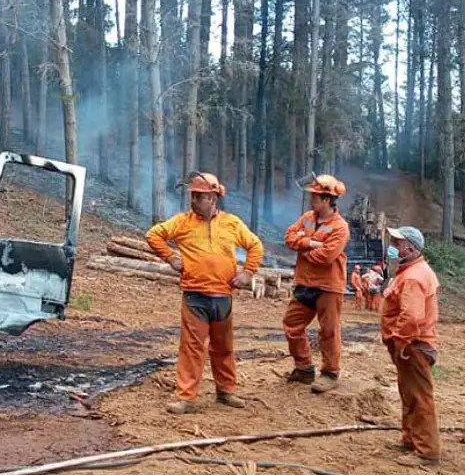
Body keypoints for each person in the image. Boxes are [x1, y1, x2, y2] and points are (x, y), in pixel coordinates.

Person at [146, 172, 265, 415]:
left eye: (199, 196)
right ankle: (186, 397)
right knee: (192, 347)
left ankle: (226, 391)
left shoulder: (232, 223)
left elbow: (255, 245)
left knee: (224, 347)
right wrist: (170, 257)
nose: (193, 199)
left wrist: (248, 272)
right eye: (193, 195)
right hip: (195, 294)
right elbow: (153, 235)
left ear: (213, 198)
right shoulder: (182, 222)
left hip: (223, 295)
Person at [282, 174, 351, 393]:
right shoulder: (307, 218)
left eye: (315, 196)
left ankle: (330, 372)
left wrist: (304, 248)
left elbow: (326, 256)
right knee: (292, 325)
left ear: (327, 199)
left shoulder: (340, 227)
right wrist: (310, 243)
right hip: (305, 282)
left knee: (329, 330)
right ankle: (304, 368)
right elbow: (289, 238)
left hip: (328, 286)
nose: (311, 199)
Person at [381, 226, 441, 467]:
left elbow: (412, 317)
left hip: (413, 344)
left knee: (418, 398)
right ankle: (410, 439)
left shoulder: (414, 277)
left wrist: (400, 341)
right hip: (411, 344)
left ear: (411, 248)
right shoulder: (410, 272)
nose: (393, 245)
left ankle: (427, 453)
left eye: (397, 242)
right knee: (409, 394)